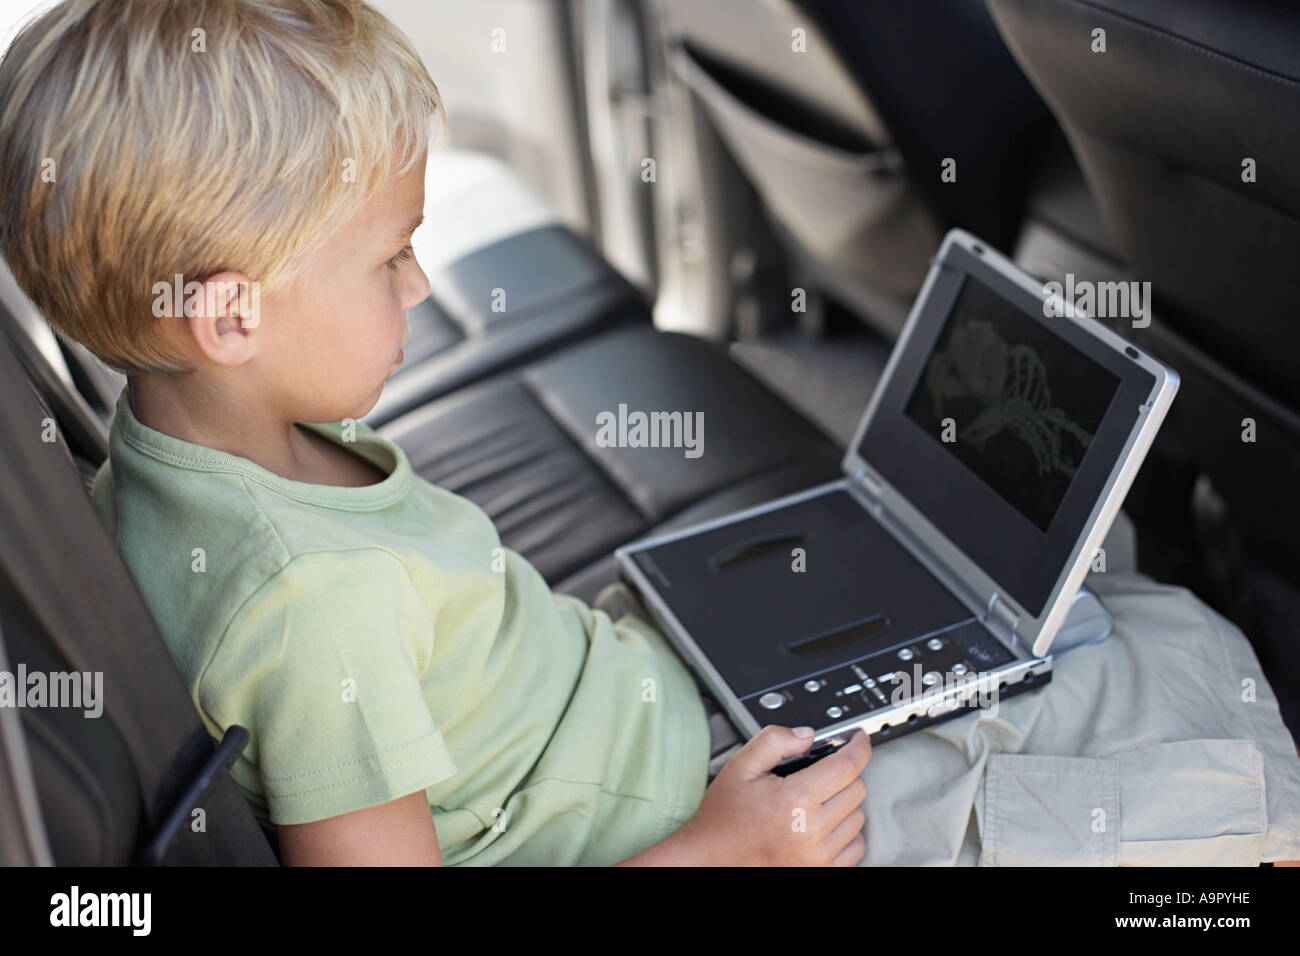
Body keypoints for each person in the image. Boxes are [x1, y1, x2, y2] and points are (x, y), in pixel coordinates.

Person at [1, 0, 1295, 867]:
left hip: (644, 717)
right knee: (1200, 720)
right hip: (698, 809)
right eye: (391, 258)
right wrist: (730, 845)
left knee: (1103, 624)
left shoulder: (169, 456)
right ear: (228, 318)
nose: (419, 286)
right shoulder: (306, 601)